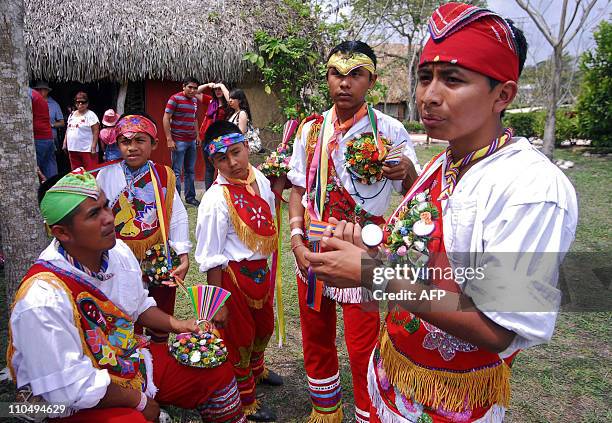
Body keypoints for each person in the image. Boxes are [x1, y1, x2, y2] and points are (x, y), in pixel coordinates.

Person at [303, 4, 578, 422]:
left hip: (453, 403)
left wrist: (369, 274)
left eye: (453, 79)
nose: (429, 96)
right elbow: (420, 260)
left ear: (502, 95)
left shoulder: (531, 189)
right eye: (425, 77)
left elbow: (496, 329)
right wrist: (366, 248)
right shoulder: (444, 163)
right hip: (394, 377)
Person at [7, 169, 246, 423]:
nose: (110, 218)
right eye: (94, 214)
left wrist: (181, 325)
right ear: (62, 233)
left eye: (106, 206)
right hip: (64, 400)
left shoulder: (117, 251)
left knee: (214, 370)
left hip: (124, 361)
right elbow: (69, 389)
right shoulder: (41, 300)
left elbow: (138, 306)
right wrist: (140, 401)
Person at [287, 40, 419, 423]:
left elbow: (415, 198)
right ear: (327, 78)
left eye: (355, 75)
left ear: (371, 80)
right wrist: (295, 239)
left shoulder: (391, 130)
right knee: (315, 335)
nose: (344, 83)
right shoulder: (310, 131)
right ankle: (325, 411)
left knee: (363, 343)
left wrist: (408, 172)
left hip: (364, 250)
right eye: (336, 74)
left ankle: (367, 413)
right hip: (312, 246)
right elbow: (297, 190)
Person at [195, 121, 283, 422]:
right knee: (238, 337)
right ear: (212, 161)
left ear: (247, 147)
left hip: (262, 272)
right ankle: (246, 400)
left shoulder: (259, 177)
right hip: (233, 278)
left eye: (236, 152)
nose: (232, 163)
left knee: (264, 328)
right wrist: (216, 302)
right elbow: (211, 256)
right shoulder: (215, 200)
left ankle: (258, 370)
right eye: (222, 158)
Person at [96, 114, 191, 342]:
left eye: (140, 140)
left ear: (154, 144)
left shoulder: (163, 175)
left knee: (161, 308)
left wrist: (183, 254)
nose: (132, 148)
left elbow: (176, 215)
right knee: (124, 308)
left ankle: (159, 358)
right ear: (117, 145)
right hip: (119, 257)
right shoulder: (105, 175)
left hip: (159, 257)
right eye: (125, 142)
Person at [163, 77, 202, 207]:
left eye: (195, 88)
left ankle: (190, 197)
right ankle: (176, 200)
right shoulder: (175, 99)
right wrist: (169, 139)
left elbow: (195, 119)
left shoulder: (195, 100)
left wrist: (197, 135)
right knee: (177, 171)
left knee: (190, 170)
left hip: (191, 141)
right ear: (183, 87)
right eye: (190, 87)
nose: (192, 90)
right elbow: (166, 118)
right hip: (178, 141)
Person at [197, 82, 231, 190]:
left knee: (222, 165)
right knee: (209, 167)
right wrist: (207, 85)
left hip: (220, 140)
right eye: (216, 89)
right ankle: (209, 192)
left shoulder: (228, 105)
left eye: (220, 89)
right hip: (206, 139)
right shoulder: (211, 101)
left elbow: (230, 98)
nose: (218, 91)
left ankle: (222, 189)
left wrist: (222, 86)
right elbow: (195, 92)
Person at [63, 91, 100, 170]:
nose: (80, 104)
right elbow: (68, 129)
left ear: (87, 103)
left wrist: (93, 147)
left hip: (87, 149)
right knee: (76, 173)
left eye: (83, 102)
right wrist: (64, 143)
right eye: (78, 102)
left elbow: (96, 131)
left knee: (91, 172)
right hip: (73, 148)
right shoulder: (72, 115)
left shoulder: (91, 115)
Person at [29, 87, 57, 179]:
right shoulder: (38, 97)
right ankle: (53, 188)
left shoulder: (27, 95)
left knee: (34, 168)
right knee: (49, 165)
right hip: (48, 136)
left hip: (39, 137)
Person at [33, 81, 65, 148]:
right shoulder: (31, 103)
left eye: (43, 89)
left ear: (47, 91)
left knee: (51, 157)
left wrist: (51, 125)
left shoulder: (54, 104)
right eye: (38, 89)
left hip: (51, 138)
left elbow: (62, 123)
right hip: (36, 138)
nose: (41, 91)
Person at [228, 89, 261, 154]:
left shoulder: (242, 113)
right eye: (229, 98)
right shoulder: (234, 113)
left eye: (233, 98)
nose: (230, 100)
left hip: (243, 146)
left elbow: (241, 132)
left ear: (239, 100)